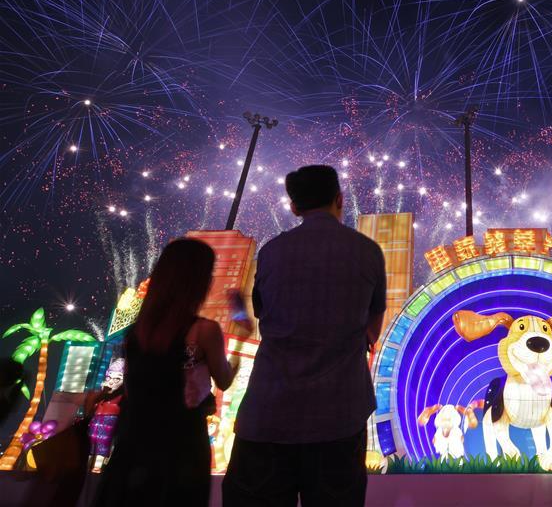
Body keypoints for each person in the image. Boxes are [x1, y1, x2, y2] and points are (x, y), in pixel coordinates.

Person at [223, 165, 386, 507]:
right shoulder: (368, 251)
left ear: (294, 207)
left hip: (268, 415)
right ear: (339, 200)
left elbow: (263, 314)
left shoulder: (271, 251)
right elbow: (372, 331)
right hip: (338, 416)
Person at [94, 238, 243, 506]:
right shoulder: (203, 331)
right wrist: (240, 343)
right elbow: (224, 379)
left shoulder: (137, 332)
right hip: (182, 448)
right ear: (196, 282)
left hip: (134, 444)